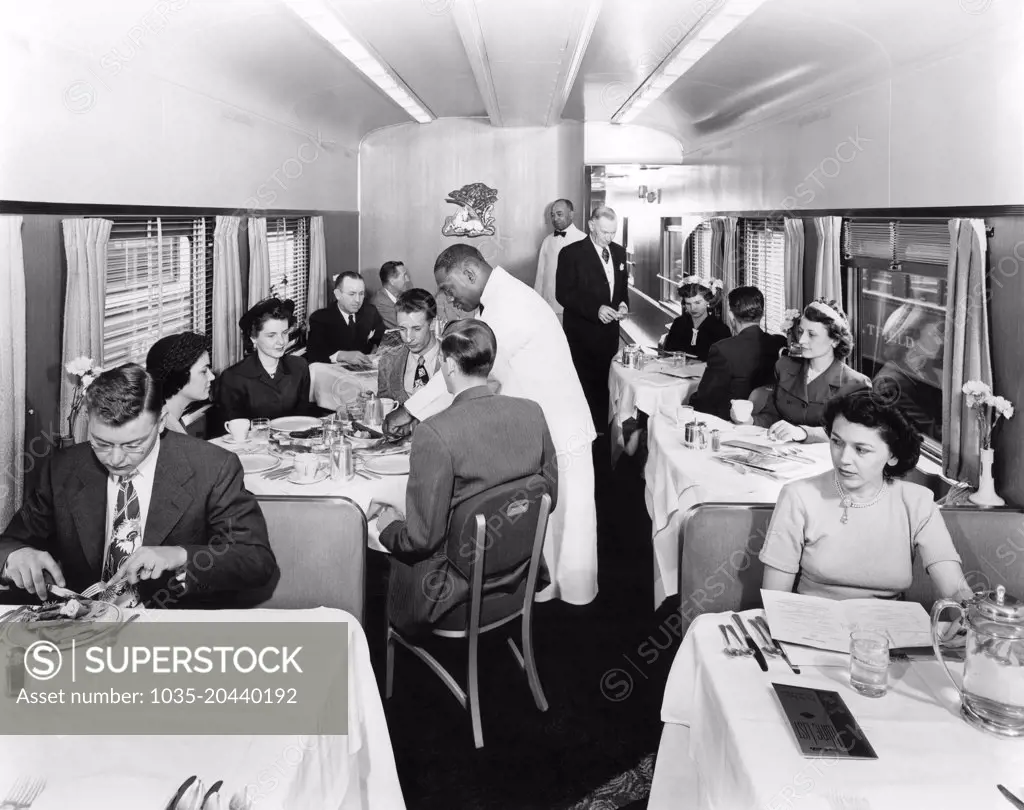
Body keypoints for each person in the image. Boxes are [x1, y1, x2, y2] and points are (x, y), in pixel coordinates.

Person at [384, 244, 598, 606]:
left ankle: (568, 608)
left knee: (567, 526)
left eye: (449, 289)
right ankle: (540, 595)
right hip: (536, 425)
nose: (449, 298)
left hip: (561, 427)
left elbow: (466, 365)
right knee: (547, 521)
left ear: (470, 273)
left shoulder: (511, 303)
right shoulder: (501, 299)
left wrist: (411, 410)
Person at [0, 364, 277, 607]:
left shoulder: (213, 467)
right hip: (83, 628)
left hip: (170, 627)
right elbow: (11, 541)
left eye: (133, 444)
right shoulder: (63, 468)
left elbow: (256, 560)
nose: (116, 459)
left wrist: (180, 556)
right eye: (102, 443)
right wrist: (15, 556)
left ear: (161, 422)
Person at [371, 320, 557, 635]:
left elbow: (421, 539)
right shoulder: (532, 412)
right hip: (520, 577)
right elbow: (547, 496)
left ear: (451, 366)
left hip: (451, 594)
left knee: (376, 564)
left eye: (442, 362)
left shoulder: (434, 432)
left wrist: (387, 527)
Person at [759, 387, 971, 601]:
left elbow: (954, 589)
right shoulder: (797, 496)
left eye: (861, 449)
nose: (844, 459)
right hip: (814, 626)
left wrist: (970, 618)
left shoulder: (918, 503)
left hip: (889, 628)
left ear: (893, 456)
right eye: (837, 442)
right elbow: (776, 598)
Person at [753, 298, 871, 443]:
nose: (801, 340)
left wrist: (803, 432)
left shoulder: (856, 384)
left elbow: (852, 434)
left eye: (812, 334)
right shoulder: (784, 366)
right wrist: (749, 420)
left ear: (835, 340)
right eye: (801, 331)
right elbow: (772, 416)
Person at [555, 205, 630, 432]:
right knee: (583, 385)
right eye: (605, 232)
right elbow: (563, 294)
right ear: (591, 225)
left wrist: (624, 304)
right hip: (582, 335)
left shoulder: (619, 252)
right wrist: (595, 309)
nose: (609, 237)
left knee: (605, 383)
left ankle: (602, 432)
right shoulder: (571, 253)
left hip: (609, 334)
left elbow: (622, 288)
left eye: (613, 232)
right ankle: (583, 432)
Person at [689, 286, 787, 421]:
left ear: (730, 315)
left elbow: (705, 399)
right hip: (767, 419)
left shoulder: (722, 349)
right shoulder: (780, 343)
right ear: (762, 313)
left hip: (730, 420)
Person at [216, 298, 312, 423]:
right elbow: (234, 430)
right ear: (253, 338)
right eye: (271, 335)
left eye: (284, 332)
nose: (281, 341)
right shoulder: (233, 378)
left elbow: (303, 419)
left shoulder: (299, 367)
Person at [306, 271, 386, 366]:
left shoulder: (370, 312)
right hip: (334, 374)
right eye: (352, 294)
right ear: (338, 294)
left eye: (361, 294)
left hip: (363, 371)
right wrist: (341, 355)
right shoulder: (320, 318)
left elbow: (383, 339)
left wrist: (381, 350)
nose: (357, 300)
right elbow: (314, 355)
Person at [377, 288, 442, 405]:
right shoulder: (388, 363)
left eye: (416, 329)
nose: (408, 338)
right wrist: (374, 404)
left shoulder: (454, 359)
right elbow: (385, 405)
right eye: (402, 329)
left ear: (432, 324)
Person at [145, 332, 215, 434]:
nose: (212, 377)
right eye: (204, 371)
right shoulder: (159, 433)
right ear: (178, 376)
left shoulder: (171, 421)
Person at [534, 198, 586, 320]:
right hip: (548, 307)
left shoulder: (584, 241)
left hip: (574, 310)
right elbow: (540, 275)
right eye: (552, 215)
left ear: (571, 214)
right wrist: (537, 303)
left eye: (559, 214)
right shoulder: (547, 241)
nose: (555, 219)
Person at [663, 277, 730, 361]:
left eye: (697, 302)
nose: (693, 308)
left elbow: (723, 362)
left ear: (708, 301)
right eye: (688, 303)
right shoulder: (679, 323)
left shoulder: (721, 330)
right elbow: (668, 352)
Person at [372, 260, 411, 329]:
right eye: (404, 276)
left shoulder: (403, 296)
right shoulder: (380, 303)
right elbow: (405, 326)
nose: (408, 279)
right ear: (392, 281)